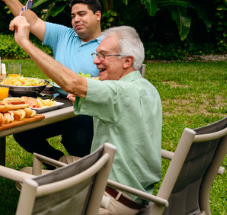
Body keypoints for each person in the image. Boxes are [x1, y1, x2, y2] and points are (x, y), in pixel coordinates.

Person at [9, 17, 162, 214]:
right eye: (96, 54)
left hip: (111, 198)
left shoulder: (118, 93)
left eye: (104, 55)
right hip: (137, 191)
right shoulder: (145, 88)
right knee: (65, 162)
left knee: (24, 177)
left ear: (127, 61)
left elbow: (72, 83)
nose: (96, 61)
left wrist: (24, 42)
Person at [0, 0, 102, 162]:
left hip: (87, 107)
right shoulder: (64, 35)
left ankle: (87, 176)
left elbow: (116, 81)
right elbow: (33, 21)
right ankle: (58, 163)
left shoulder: (108, 45)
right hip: (56, 102)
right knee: (22, 129)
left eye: (82, 14)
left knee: (75, 136)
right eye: (73, 15)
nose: (76, 19)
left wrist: (90, 85)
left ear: (97, 15)